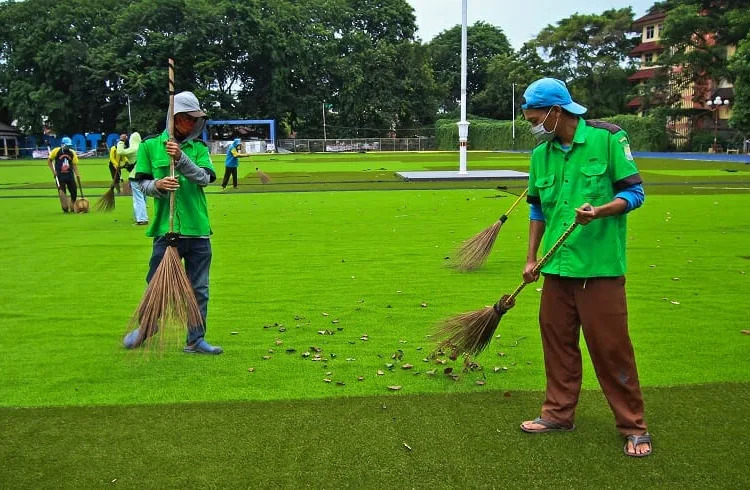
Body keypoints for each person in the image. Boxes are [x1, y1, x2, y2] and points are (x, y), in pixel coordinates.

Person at [519, 78, 651, 457]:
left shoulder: (608, 139)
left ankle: (633, 426)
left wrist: (601, 211)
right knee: (557, 344)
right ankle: (558, 414)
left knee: (611, 349)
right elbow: (536, 209)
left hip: (599, 268)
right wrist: (531, 258)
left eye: (535, 118)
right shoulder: (541, 155)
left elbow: (635, 193)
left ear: (556, 112)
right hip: (556, 268)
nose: (533, 125)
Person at [123, 91, 222, 354]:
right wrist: (158, 185)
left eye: (195, 120)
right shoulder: (149, 146)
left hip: (198, 230)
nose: (192, 124)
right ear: (175, 118)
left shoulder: (198, 148)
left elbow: (204, 178)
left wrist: (181, 158)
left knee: (199, 288)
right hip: (167, 232)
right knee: (156, 283)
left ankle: (195, 339)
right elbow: (141, 183)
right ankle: (147, 327)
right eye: (188, 119)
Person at [117, 132, 147, 225]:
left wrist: (121, 141)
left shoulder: (133, 149)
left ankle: (141, 219)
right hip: (146, 175)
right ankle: (139, 216)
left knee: (138, 198)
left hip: (135, 176)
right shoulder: (144, 148)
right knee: (143, 198)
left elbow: (120, 152)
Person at [47, 137, 80, 212]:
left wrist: (77, 174)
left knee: (74, 191)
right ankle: (65, 207)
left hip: (69, 175)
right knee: (62, 193)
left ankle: (72, 205)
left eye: (69, 146)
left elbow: (74, 164)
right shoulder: (56, 151)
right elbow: (49, 161)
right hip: (59, 176)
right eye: (66, 145)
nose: (68, 147)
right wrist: (53, 172)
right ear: (62, 144)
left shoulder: (72, 152)